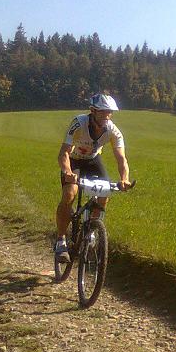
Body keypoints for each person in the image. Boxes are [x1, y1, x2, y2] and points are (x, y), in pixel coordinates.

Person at [54, 93, 132, 262]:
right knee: (69, 194)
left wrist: (124, 178)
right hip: (73, 161)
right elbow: (64, 152)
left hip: (92, 160)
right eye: (103, 112)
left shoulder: (113, 130)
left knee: (104, 194)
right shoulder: (79, 123)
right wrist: (67, 172)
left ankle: (90, 231)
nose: (107, 116)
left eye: (109, 112)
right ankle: (60, 240)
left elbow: (121, 158)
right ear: (92, 111)